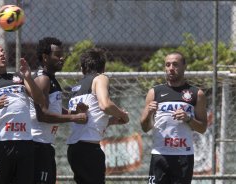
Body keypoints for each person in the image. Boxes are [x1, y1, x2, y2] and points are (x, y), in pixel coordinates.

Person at [0, 45, 45, 184]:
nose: (2, 54)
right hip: (1, 144)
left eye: (3, 51)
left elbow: (40, 100)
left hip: (25, 143)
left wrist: (28, 78)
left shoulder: (19, 77)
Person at [140, 51, 208, 184]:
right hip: (160, 155)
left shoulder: (196, 93)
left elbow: (202, 128)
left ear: (184, 67)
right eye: (168, 64)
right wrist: (148, 113)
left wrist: (188, 118)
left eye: (175, 64)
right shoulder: (155, 92)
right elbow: (145, 127)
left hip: (184, 156)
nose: (171, 68)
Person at [29, 37, 88, 184]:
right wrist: (74, 118)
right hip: (36, 145)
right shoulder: (43, 80)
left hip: (45, 145)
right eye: (57, 55)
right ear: (45, 57)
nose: (62, 58)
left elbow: (53, 108)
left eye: (62, 54)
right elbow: (42, 115)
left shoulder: (51, 79)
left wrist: (73, 113)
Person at [66, 48, 129, 184]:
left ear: (82, 68)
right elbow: (105, 105)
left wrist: (111, 121)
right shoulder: (100, 78)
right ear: (103, 67)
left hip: (75, 149)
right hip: (89, 150)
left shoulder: (75, 88)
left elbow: (90, 117)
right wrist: (123, 114)